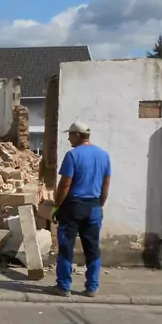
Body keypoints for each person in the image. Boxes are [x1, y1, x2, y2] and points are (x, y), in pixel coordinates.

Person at [52, 122, 111, 297]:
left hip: (73, 206)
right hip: (93, 206)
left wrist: (56, 206)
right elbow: (106, 183)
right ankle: (92, 287)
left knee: (66, 246)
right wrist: (100, 204)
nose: (69, 138)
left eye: (70, 135)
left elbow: (65, 184)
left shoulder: (72, 155)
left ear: (78, 135)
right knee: (92, 247)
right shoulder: (104, 155)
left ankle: (63, 286)